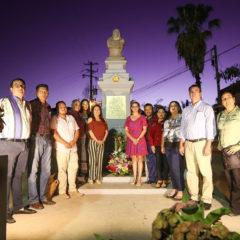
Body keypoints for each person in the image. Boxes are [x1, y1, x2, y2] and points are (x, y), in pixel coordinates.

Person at [0, 78, 36, 224]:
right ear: (11, 88)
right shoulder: (4, 101)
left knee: (18, 176)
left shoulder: (27, 105)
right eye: (17, 85)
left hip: (23, 144)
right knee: (5, 177)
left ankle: (18, 206)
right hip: (8, 144)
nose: (20, 87)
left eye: (22, 86)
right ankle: (3, 212)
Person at [179, 84, 216, 210]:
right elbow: (183, 128)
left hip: (202, 143)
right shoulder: (186, 110)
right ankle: (194, 197)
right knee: (191, 172)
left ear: (200, 93)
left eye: (196, 91)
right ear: (189, 94)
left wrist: (208, 144)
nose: (194, 93)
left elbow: (210, 128)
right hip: (188, 143)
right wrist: (181, 143)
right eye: (191, 92)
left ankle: (206, 199)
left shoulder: (207, 108)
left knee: (205, 172)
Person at [28, 84, 55, 210]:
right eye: (41, 91)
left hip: (47, 139)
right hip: (36, 138)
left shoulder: (48, 107)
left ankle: (43, 196)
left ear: (48, 93)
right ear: (37, 93)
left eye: (45, 91)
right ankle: (33, 199)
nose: (44, 93)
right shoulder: (31, 104)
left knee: (46, 170)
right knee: (33, 170)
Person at [51, 101, 83, 199]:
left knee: (73, 169)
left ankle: (72, 189)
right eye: (61, 107)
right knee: (62, 170)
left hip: (73, 148)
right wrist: (65, 143)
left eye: (65, 107)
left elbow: (77, 131)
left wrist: (73, 141)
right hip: (61, 149)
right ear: (57, 109)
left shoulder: (71, 118)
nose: (64, 108)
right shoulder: (55, 119)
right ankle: (62, 191)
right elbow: (54, 133)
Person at [217, 91, 240, 216]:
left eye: (228, 98)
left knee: (238, 181)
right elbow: (219, 132)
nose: (226, 100)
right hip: (225, 152)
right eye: (223, 99)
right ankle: (235, 205)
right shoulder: (220, 115)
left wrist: (239, 145)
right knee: (229, 180)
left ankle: (236, 209)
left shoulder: (239, 113)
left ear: (234, 99)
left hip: (236, 151)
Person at [162, 101, 184, 200]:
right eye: (171, 106)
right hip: (167, 146)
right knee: (172, 169)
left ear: (178, 107)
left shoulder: (182, 117)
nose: (173, 107)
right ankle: (174, 188)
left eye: (175, 105)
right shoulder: (167, 120)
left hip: (176, 145)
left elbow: (183, 132)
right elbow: (164, 134)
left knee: (176, 169)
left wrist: (181, 145)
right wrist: (162, 146)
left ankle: (180, 190)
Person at [124, 102, 148, 186]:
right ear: (131, 108)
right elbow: (126, 130)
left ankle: (139, 179)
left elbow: (144, 129)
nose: (134, 108)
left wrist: (138, 139)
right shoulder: (128, 118)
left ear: (138, 108)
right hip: (131, 140)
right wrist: (132, 139)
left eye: (136, 106)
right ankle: (134, 178)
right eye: (133, 106)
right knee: (133, 159)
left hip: (140, 140)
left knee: (140, 159)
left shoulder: (142, 117)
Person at [148, 106, 168, 188]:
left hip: (166, 145)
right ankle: (159, 179)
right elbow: (149, 135)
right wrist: (152, 145)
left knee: (165, 163)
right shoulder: (153, 123)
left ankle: (165, 179)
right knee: (158, 162)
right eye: (159, 112)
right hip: (156, 145)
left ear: (165, 114)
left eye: (163, 112)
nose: (161, 114)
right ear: (156, 113)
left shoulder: (167, 122)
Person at [87, 105, 108, 184]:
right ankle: (91, 178)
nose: (97, 111)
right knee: (92, 159)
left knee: (99, 159)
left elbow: (106, 131)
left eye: (98, 109)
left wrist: (103, 140)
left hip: (102, 141)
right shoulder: (91, 119)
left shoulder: (104, 120)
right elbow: (90, 131)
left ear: (100, 111)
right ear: (92, 111)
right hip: (93, 141)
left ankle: (98, 177)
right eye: (95, 109)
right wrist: (96, 140)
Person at [69, 99, 87, 180]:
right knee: (75, 158)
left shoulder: (80, 115)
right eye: (76, 104)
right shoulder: (70, 114)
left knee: (80, 156)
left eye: (79, 105)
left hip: (82, 137)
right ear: (73, 105)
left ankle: (80, 175)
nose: (78, 106)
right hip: (74, 138)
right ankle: (74, 177)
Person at [144, 103, 157, 184]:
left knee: (155, 160)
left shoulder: (155, 119)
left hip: (154, 143)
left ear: (152, 110)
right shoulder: (143, 119)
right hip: (145, 142)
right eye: (146, 109)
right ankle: (151, 178)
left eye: (149, 109)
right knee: (149, 160)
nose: (148, 111)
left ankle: (156, 178)